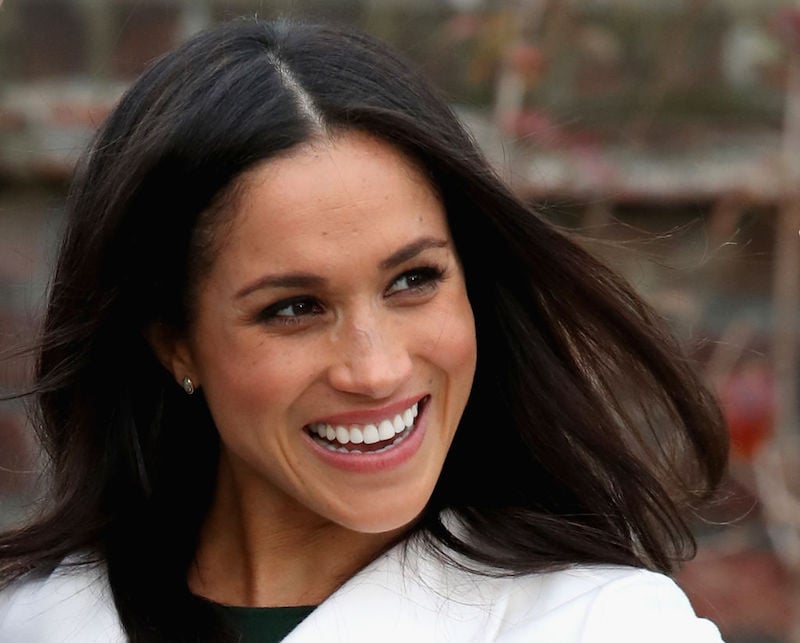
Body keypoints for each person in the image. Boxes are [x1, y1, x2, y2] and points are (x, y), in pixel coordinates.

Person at [0, 18, 728, 642]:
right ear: (173, 340)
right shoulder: (39, 621)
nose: (375, 370)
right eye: (294, 308)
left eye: (414, 280)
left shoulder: (601, 625)